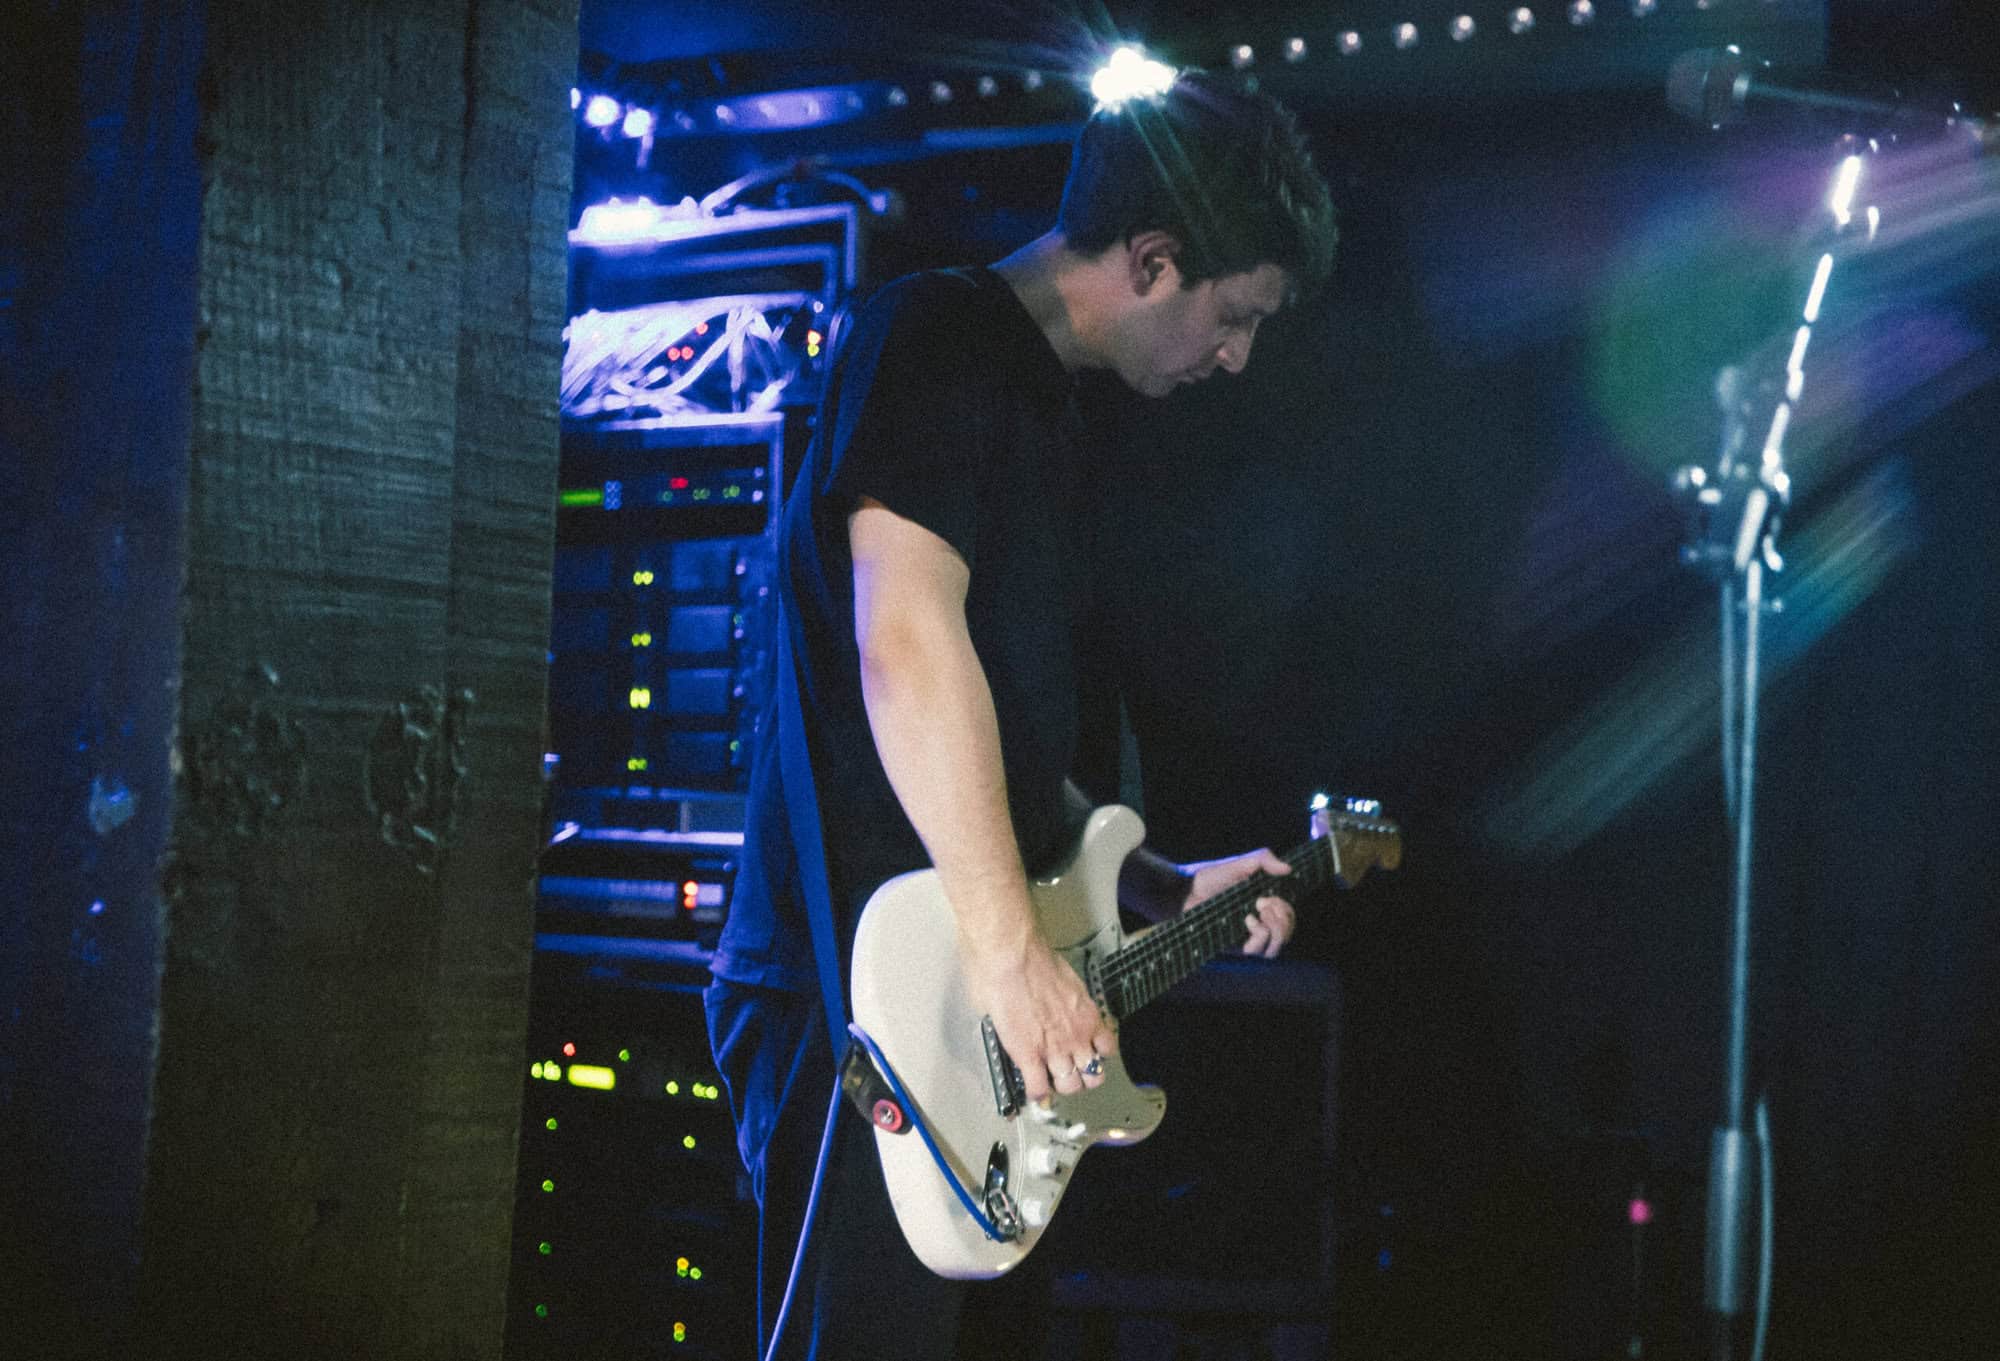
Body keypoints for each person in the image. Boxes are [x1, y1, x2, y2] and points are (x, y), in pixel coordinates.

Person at [703, 67, 1340, 1360]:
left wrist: (1158, 883)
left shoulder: (1046, 406)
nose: (1237, 357)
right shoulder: (935, 336)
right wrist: (1007, 949)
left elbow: (1000, 732)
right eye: (1236, 315)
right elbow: (904, 640)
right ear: (1153, 261)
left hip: (966, 986)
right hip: (870, 981)